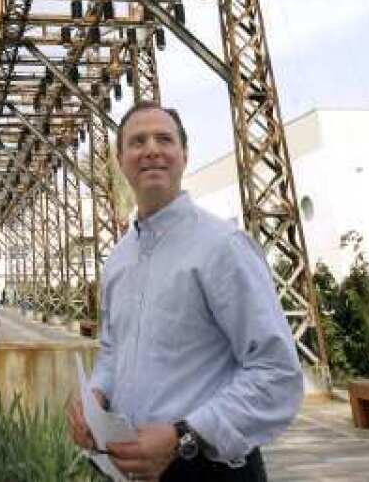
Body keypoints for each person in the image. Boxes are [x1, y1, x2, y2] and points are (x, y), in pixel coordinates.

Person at [68, 102, 303, 481]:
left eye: (165, 139)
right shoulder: (118, 260)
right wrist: (95, 394)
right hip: (129, 467)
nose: (151, 149)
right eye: (137, 141)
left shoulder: (223, 246)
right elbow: (113, 352)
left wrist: (184, 435)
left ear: (184, 155)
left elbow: (276, 372)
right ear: (120, 159)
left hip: (208, 469)